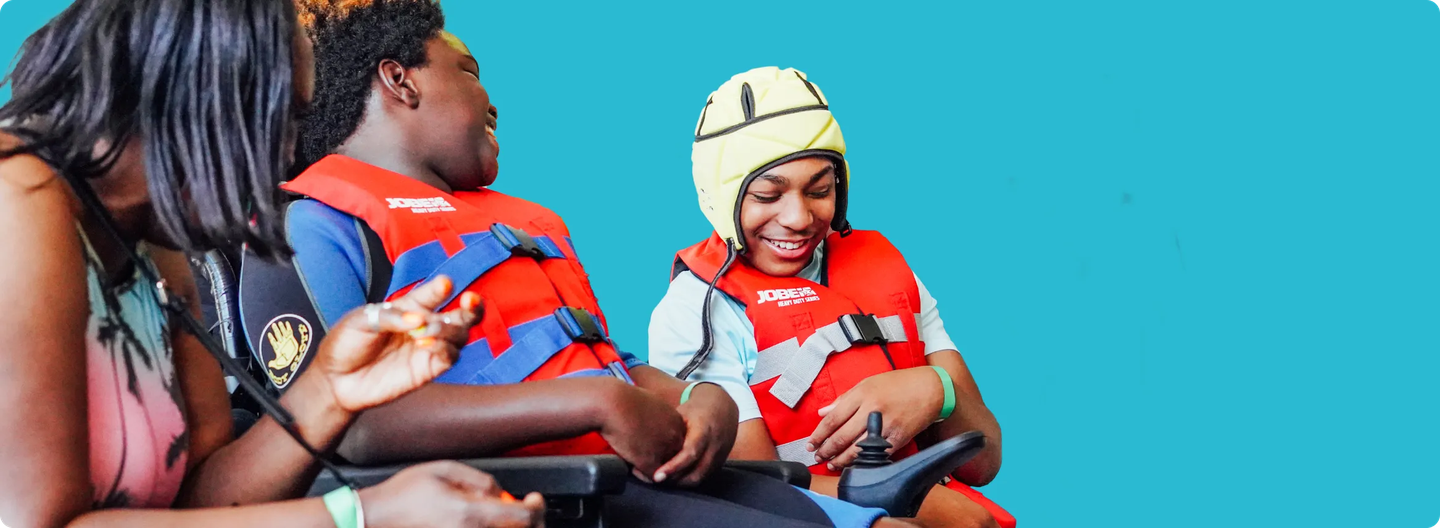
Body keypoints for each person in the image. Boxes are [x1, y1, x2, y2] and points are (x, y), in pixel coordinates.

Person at [238, 1, 910, 527]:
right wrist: (591, 402)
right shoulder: (313, 222)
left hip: (652, 482)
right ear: (399, 80)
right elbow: (348, 427)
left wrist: (702, 400)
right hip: (547, 501)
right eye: (469, 73)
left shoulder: (524, 222)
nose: (492, 101)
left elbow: (606, 362)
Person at [0, 1, 544, 527]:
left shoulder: (157, 250)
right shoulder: (18, 196)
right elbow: (44, 521)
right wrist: (364, 513)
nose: (289, 155)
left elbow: (203, 501)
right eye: (286, 119)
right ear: (201, 91)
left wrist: (330, 390)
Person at [648, 66, 1017, 528]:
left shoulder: (884, 266)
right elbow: (752, 494)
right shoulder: (698, 311)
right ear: (720, 198)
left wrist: (936, 389)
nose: (799, 217)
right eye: (766, 195)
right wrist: (932, 508)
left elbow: (984, 459)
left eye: (819, 189)